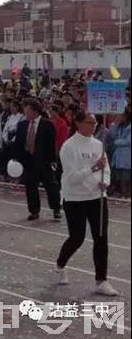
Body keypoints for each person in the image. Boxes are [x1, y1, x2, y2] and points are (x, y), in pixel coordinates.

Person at [55, 112, 118, 297]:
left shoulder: (99, 144)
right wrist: (93, 168)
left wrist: (105, 180)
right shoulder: (68, 147)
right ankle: (60, 264)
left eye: (95, 122)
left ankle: (101, 280)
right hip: (75, 198)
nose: (94, 125)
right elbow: (72, 177)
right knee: (77, 237)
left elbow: (106, 168)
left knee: (101, 237)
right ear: (78, 123)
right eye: (90, 122)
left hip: (97, 197)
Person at [15, 98, 62, 221]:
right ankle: (34, 211)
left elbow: (52, 144)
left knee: (51, 186)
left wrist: (53, 160)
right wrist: (18, 159)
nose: (25, 112)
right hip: (28, 161)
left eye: (28, 109)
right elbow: (18, 144)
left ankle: (56, 208)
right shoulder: (22, 125)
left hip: (44, 161)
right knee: (30, 187)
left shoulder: (47, 124)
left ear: (35, 111)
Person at [108, 107, 131, 199]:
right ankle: (121, 193)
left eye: (120, 115)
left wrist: (117, 142)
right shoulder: (119, 126)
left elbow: (128, 141)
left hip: (127, 156)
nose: (118, 117)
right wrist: (114, 123)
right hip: (118, 156)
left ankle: (126, 193)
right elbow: (112, 136)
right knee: (118, 177)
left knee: (126, 178)